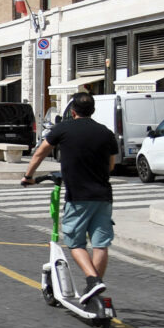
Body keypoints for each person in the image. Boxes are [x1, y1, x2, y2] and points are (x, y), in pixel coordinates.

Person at [21, 91, 119, 303]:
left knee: (75, 243)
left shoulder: (63, 128)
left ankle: (93, 281)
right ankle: (95, 287)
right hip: (103, 196)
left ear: (72, 111)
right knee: (101, 244)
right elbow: (111, 165)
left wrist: (28, 176)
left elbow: (40, 152)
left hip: (79, 195)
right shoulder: (106, 133)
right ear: (92, 110)